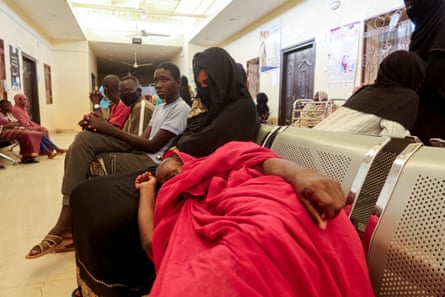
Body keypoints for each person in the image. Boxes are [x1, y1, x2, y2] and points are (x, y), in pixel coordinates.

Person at [69, 47, 261, 297]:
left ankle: (118, 288)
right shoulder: (208, 109)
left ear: (224, 80)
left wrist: (177, 152)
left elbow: (199, 146)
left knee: (105, 216)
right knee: (84, 194)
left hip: (195, 181)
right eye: (200, 85)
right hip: (172, 169)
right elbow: (188, 140)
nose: (205, 91)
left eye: (209, 84)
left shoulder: (241, 110)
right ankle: (87, 285)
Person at [135, 141, 373, 297]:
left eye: (175, 171)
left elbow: (262, 159)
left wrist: (301, 174)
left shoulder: (223, 160)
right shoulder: (176, 205)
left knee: (272, 228)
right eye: (166, 180)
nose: (175, 180)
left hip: (270, 203)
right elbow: (150, 243)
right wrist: (148, 190)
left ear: (190, 161)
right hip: (231, 243)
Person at [25, 64, 190, 260]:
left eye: (165, 80)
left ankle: (70, 224)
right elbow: (143, 139)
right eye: (155, 81)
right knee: (84, 141)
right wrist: (99, 127)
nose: (158, 85)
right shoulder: (161, 107)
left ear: (178, 82)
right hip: (139, 149)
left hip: (151, 160)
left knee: (95, 162)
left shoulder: (180, 109)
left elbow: (152, 146)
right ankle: (67, 216)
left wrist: (109, 129)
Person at [314, 50, 425, 137]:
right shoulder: (406, 97)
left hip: (310, 142)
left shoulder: (366, 90)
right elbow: (392, 140)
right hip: (330, 156)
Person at [405, 0, 445, 144]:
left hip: (438, 107)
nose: (410, 8)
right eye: (407, 4)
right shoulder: (421, 30)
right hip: (419, 108)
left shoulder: (441, 22)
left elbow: (436, 70)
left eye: (413, 2)